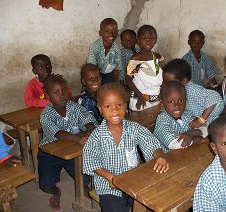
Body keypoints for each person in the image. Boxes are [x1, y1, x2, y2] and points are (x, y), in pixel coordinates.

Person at [83, 82, 169, 212]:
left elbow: (150, 142)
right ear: (100, 109)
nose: (115, 110)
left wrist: (160, 156)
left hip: (133, 179)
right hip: (108, 185)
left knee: (155, 200)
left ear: (126, 104)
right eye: (108, 106)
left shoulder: (134, 128)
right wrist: (110, 177)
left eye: (119, 105)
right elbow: (91, 162)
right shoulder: (97, 136)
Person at [38, 74, 98, 211]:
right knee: (46, 185)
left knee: (85, 177)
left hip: (73, 150)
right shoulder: (46, 115)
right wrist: (77, 138)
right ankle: (55, 192)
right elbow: (57, 133)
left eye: (64, 90)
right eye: (56, 92)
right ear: (47, 96)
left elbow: (88, 119)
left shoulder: (74, 107)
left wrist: (90, 130)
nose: (62, 95)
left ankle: (83, 188)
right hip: (50, 153)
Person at [163, 59, 224, 128]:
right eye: (165, 82)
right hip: (198, 116)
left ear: (184, 81)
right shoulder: (175, 90)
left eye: (171, 82)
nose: (168, 85)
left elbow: (214, 98)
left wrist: (201, 120)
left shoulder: (192, 89)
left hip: (212, 117)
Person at [154, 81, 208, 153]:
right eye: (171, 101)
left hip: (187, 153)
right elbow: (174, 144)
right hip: (169, 158)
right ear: (162, 104)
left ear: (186, 101)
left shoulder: (187, 114)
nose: (177, 105)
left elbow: (206, 129)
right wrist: (198, 139)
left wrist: (191, 133)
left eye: (181, 100)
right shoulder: (162, 120)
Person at [126, 25, 163, 111]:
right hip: (140, 99)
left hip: (155, 99)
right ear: (138, 41)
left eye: (151, 39)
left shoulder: (156, 57)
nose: (148, 41)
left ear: (155, 40)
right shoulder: (136, 59)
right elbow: (128, 79)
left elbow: (158, 76)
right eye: (144, 39)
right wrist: (139, 95)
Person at [87, 18, 123, 84]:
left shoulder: (117, 51)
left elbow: (117, 70)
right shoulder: (95, 47)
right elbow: (91, 67)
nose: (111, 34)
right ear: (100, 33)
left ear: (117, 32)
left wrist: (117, 84)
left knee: (110, 87)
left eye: (114, 31)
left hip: (108, 74)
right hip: (95, 73)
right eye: (107, 31)